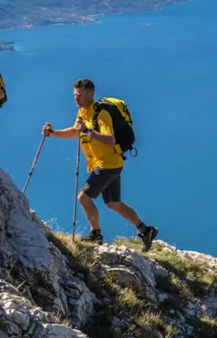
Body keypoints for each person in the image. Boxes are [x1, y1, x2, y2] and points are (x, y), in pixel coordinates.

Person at [43, 79, 158, 250]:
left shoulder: (101, 114)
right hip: (109, 164)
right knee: (113, 203)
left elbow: (110, 139)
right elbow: (75, 131)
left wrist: (88, 131)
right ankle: (145, 230)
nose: (76, 99)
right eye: (75, 95)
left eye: (79, 95)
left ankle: (96, 235)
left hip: (107, 164)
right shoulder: (83, 112)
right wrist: (53, 133)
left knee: (84, 197)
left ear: (90, 94)